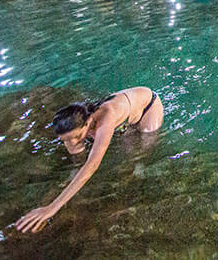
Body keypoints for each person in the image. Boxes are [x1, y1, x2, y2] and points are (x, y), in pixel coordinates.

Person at [15, 86, 164, 233]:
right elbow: (80, 164)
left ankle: (140, 168)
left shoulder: (107, 118)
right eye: (66, 140)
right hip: (125, 115)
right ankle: (126, 127)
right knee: (124, 142)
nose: (73, 142)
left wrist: (52, 208)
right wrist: (65, 183)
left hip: (148, 107)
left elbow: (91, 166)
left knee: (139, 150)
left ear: (87, 123)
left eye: (77, 137)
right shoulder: (70, 129)